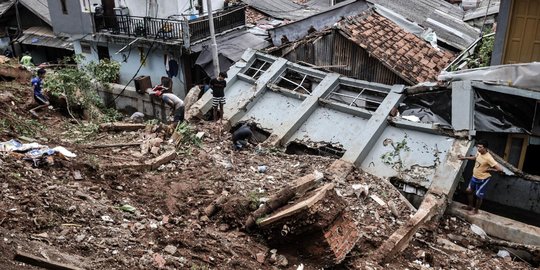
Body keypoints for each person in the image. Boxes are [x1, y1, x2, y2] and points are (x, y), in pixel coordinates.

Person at [458, 139, 504, 215]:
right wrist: (464, 158)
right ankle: (470, 206)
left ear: (485, 148)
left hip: (482, 179)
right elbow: (475, 158)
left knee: (478, 195)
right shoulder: (479, 152)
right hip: (475, 176)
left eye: (480, 147)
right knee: (468, 191)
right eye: (477, 147)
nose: (478, 149)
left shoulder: (489, 158)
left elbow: (500, 169)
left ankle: (476, 211)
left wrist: (489, 169)